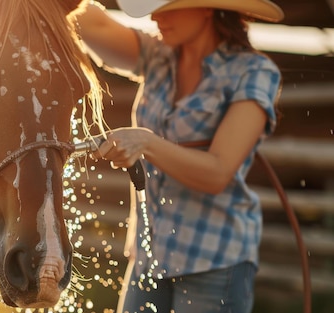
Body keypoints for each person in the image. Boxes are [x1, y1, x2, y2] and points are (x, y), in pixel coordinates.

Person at [75, 0, 284, 312]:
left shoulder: (252, 72)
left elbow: (217, 173)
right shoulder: (157, 56)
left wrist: (145, 143)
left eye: (170, 6)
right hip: (150, 253)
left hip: (214, 259)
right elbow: (90, 22)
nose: (157, 17)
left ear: (207, 7)